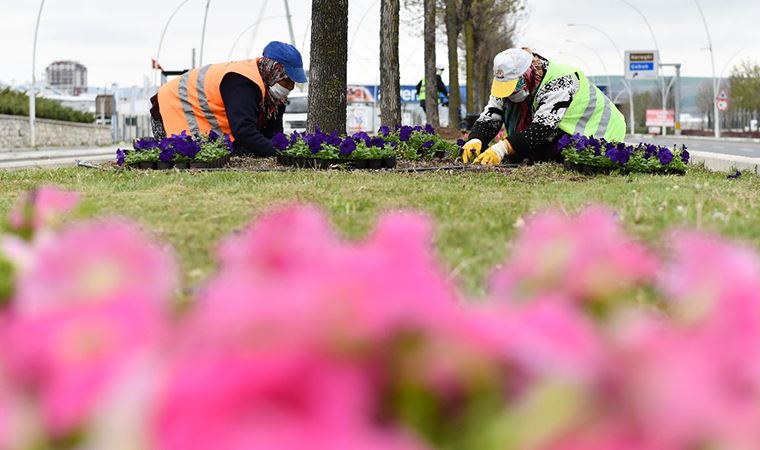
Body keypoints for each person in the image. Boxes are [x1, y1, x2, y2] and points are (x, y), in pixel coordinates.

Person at [461, 48, 626, 165]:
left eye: (513, 87)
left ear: (527, 75)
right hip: (563, 130)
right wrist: (476, 139)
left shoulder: (561, 80)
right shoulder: (503, 80)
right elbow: (492, 113)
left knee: (544, 154)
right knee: (524, 153)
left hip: (599, 131)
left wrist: (502, 149)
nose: (509, 94)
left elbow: (542, 128)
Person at [150, 41, 307, 156]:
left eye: (293, 82)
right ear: (274, 71)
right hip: (171, 106)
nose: (290, 87)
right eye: (287, 80)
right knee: (187, 156)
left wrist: (281, 147)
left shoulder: (274, 97)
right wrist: (278, 153)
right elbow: (244, 131)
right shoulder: (243, 84)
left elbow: (273, 132)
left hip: (197, 113)